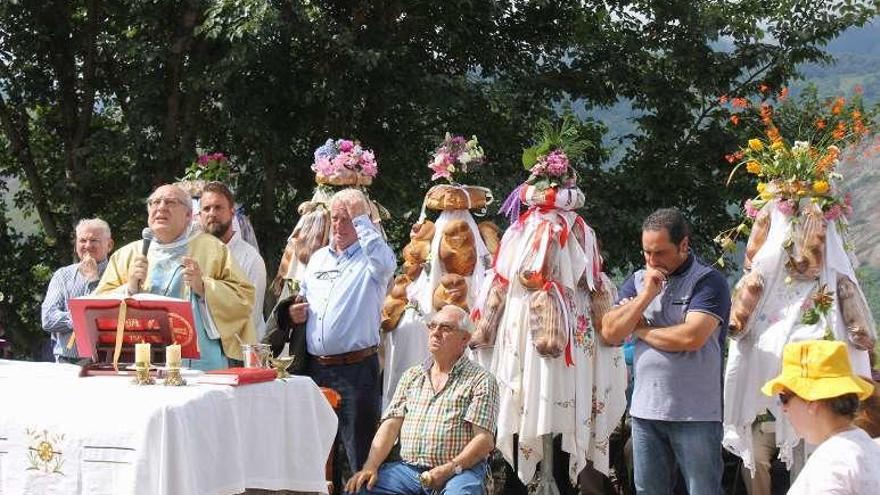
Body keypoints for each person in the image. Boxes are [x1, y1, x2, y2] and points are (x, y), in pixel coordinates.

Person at [601, 208, 731, 495]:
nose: (651, 260)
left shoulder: (709, 282)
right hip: (646, 412)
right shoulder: (637, 281)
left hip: (696, 415)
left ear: (684, 245)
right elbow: (610, 331)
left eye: (660, 253)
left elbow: (691, 336)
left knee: (703, 491)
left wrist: (640, 330)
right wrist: (646, 295)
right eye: (646, 252)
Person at [289, 188, 396, 475]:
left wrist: (362, 217)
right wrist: (294, 313)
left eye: (347, 219)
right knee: (316, 451)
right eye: (335, 218)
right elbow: (303, 298)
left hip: (356, 369)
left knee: (358, 454)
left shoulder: (373, 260)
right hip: (315, 369)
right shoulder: (318, 259)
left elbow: (387, 264)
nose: (339, 225)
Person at [96, 184, 255, 370]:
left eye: (170, 202)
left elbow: (244, 300)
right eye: (154, 202)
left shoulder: (213, 249)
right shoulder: (127, 254)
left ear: (188, 215)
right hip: (137, 359)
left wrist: (204, 287)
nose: (161, 207)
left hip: (198, 363)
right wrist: (128, 288)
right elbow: (95, 309)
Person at [345, 305, 499, 495]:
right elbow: (391, 425)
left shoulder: (481, 380)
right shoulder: (412, 376)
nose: (435, 333)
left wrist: (447, 470)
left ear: (465, 339)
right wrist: (371, 465)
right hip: (408, 471)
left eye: (445, 328)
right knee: (359, 489)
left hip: (460, 471)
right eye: (432, 326)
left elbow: (484, 441)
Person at [762, 340, 880, 494]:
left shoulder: (832, 462)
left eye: (784, 398)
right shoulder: (867, 446)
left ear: (812, 402)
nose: (783, 408)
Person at [199, 181, 267, 341]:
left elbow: (250, 315)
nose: (212, 213)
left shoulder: (251, 259)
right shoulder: (194, 255)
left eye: (218, 207)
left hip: (239, 351)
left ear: (232, 212)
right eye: (206, 209)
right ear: (199, 215)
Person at [41, 218, 114, 363]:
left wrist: (94, 280)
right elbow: (48, 319)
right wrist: (78, 319)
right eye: (82, 240)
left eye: (94, 240)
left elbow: (111, 316)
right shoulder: (63, 276)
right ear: (76, 245)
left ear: (109, 245)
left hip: (107, 361)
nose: (88, 245)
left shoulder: (118, 273)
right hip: (66, 361)